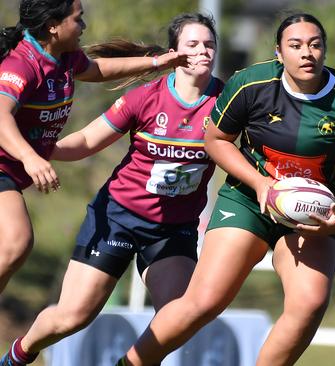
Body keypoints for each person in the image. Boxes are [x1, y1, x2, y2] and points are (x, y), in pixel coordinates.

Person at [115, 12, 335, 366]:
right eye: (296, 45)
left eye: (316, 45)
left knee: (310, 305)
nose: (307, 53)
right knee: (203, 302)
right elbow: (216, 140)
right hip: (246, 201)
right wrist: (260, 184)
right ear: (278, 52)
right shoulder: (250, 84)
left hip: (311, 213)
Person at [0, 12, 223, 366]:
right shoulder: (145, 98)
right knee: (72, 316)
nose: (202, 52)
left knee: (179, 317)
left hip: (171, 229)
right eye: (192, 44)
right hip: (118, 217)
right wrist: (41, 152)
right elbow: (88, 139)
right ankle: (18, 355)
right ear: (174, 52)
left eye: (209, 45)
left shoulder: (229, 104)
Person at [0, 0, 191, 296]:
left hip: (10, 172)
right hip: (3, 169)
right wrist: (29, 157)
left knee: (13, 247)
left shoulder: (63, 58)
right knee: (15, 243)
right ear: (53, 25)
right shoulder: (22, 65)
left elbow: (97, 69)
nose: (84, 26)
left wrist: (156, 63)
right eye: (78, 19)